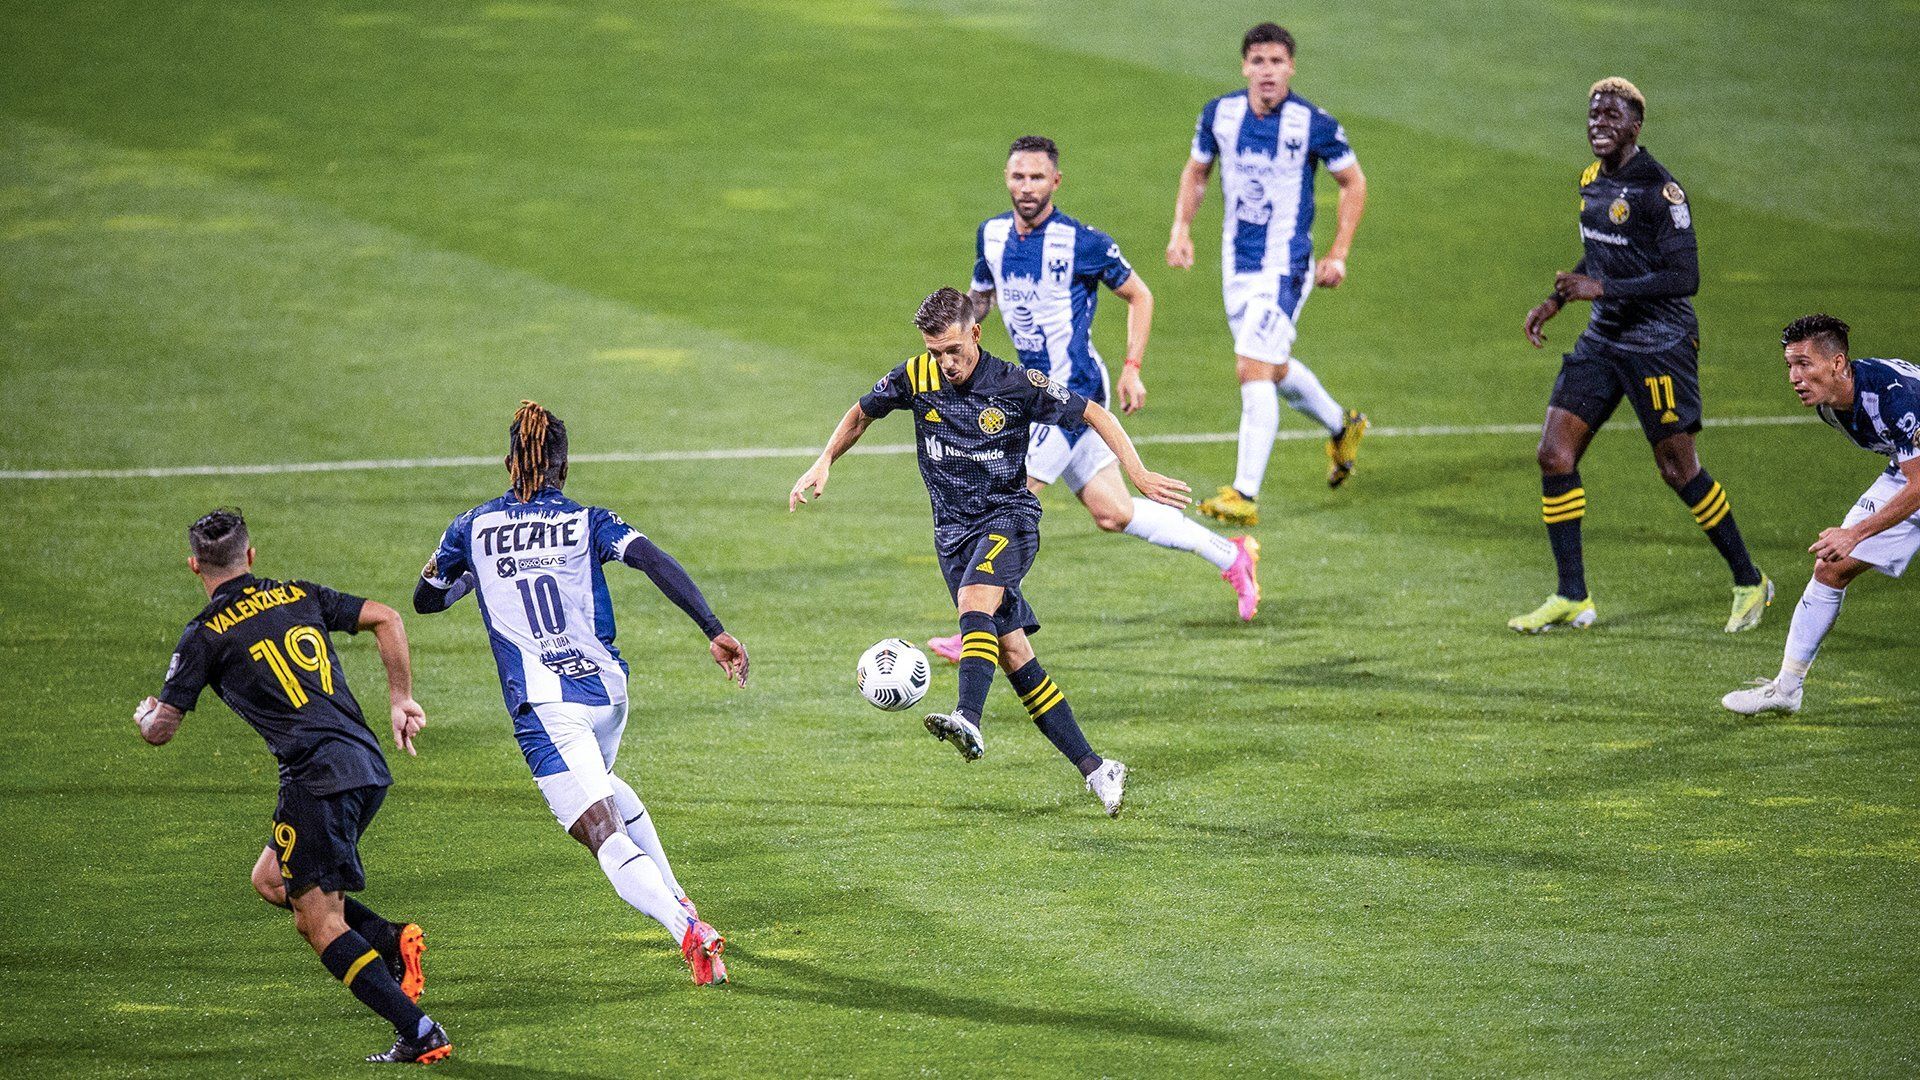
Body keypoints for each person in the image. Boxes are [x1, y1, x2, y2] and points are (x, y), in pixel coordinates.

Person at [789, 287, 1190, 816]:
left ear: (975, 333)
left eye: (953, 350)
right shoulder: (916, 376)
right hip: (952, 537)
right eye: (935, 352)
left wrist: (1136, 473)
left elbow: (1094, 412)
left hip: (1009, 519)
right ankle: (1097, 769)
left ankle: (968, 719)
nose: (945, 363)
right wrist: (824, 461)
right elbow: (862, 412)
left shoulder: (1015, 384)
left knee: (974, 604)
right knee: (1014, 654)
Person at [414, 401, 748, 984]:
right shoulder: (586, 520)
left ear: (508, 462)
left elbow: (426, 599)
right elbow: (653, 560)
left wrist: (481, 574)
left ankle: (683, 928)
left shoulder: (469, 528)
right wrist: (714, 629)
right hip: (606, 694)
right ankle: (681, 899)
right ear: (563, 470)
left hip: (544, 707)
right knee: (607, 787)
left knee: (602, 833)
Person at [922, 134, 1258, 667]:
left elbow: (1139, 295)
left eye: (1037, 177)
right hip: (1032, 393)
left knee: (1005, 498)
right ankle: (1230, 555)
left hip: (1071, 390)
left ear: (1056, 181)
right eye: (1017, 176)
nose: (1026, 187)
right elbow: (980, 300)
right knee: (1113, 512)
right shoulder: (989, 236)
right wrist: (955, 353)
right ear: (1006, 179)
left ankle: (978, 627)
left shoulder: (1083, 242)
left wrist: (1132, 366)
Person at [134, 508, 449, 1065]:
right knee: (272, 879)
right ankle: (390, 940)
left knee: (317, 921)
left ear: (193, 566)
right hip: (365, 765)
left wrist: (146, 714)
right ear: (250, 557)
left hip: (315, 778)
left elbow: (161, 731)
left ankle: (420, 1032)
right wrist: (400, 698)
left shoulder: (205, 635)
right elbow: (388, 618)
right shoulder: (296, 595)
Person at [1512, 77, 1770, 634]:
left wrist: (1599, 291)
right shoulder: (1591, 182)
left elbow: (1685, 277)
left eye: (1611, 117)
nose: (1598, 124)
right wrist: (1558, 298)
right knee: (1555, 454)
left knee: (1678, 469)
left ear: (1635, 126)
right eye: (1592, 116)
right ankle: (1572, 595)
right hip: (1603, 341)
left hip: (1659, 345)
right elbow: (1600, 251)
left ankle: (1750, 580)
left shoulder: (1660, 190)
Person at [1168, 21, 1370, 527]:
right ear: (1244, 66)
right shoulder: (1220, 113)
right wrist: (1181, 229)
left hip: (1287, 266)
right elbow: (1198, 171)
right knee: (1272, 367)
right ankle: (1343, 426)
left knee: (1252, 366)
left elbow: (1353, 182)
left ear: (1291, 67)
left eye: (1276, 62)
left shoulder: (1313, 124)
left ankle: (1244, 493)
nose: (1267, 72)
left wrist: (1338, 252)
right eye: (1258, 61)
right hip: (1237, 265)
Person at [1723, 316, 1920, 714]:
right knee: (1831, 567)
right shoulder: (1831, 406)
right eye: (1790, 366)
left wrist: (1856, 533)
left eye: (1804, 364)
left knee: (1846, 544)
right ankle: (1786, 689)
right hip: (1909, 470)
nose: (1794, 377)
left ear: (1837, 363)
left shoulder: (1892, 398)